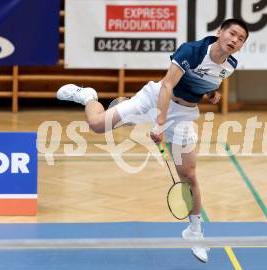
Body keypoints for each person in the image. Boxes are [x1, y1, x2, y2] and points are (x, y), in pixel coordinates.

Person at [56, 18, 249, 263]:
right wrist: (159, 122)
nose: (235, 40)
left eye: (241, 39)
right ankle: (88, 97)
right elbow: (168, 85)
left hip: (183, 116)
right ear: (220, 32)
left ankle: (195, 232)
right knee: (96, 125)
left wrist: (211, 94)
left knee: (189, 175)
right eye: (232, 33)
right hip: (155, 100)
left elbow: (202, 84)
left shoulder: (229, 65)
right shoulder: (191, 51)